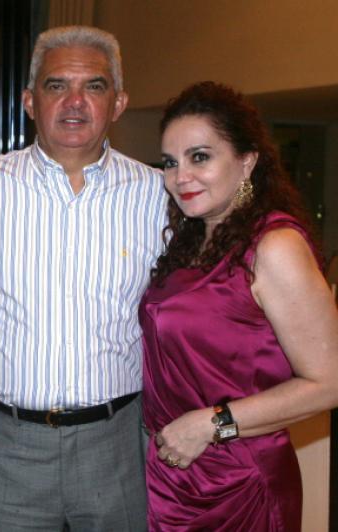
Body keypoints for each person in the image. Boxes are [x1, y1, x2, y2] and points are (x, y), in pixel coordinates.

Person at [0, 25, 167, 530]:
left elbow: (180, 317)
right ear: (29, 100)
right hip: (6, 448)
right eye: (57, 85)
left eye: (94, 86)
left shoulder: (156, 195)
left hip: (117, 445)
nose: (74, 101)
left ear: (119, 103)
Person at [142, 81, 338, 530]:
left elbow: (329, 382)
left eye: (200, 157)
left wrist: (211, 425)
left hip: (240, 482)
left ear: (247, 161)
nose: (180, 176)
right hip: (174, 479)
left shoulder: (274, 245)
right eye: (170, 162)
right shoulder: (192, 241)